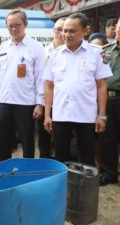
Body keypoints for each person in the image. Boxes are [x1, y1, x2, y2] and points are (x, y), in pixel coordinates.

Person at [43, 13, 112, 166]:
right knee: (61, 158)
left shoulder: (96, 53)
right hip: (61, 115)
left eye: (72, 31)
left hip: (86, 116)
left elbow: (101, 85)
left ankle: (84, 189)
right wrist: (47, 115)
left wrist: (102, 116)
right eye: (64, 30)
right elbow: (48, 86)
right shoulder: (54, 55)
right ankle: (63, 189)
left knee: (87, 159)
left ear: (85, 31)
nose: (66, 34)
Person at [0, 9, 45, 161]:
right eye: (10, 26)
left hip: (26, 103)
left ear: (25, 24)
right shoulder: (2, 48)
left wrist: (40, 103)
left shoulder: (36, 47)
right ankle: (4, 168)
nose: (13, 29)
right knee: (3, 139)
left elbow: (40, 78)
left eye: (17, 25)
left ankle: (27, 170)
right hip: (4, 101)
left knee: (27, 140)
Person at [38, 17, 66, 158]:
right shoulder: (42, 52)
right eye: (57, 29)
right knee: (44, 138)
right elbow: (37, 79)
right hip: (44, 101)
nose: (59, 32)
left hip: (63, 102)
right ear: (52, 31)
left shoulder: (70, 52)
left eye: (62, 29)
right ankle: (44, 163)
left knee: (62, 138)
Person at [99, 17, 120, 185]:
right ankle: (109, 173)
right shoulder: (107, 51)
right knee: (108, 138)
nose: (118, 31)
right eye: (118, 28)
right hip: (110, 99)